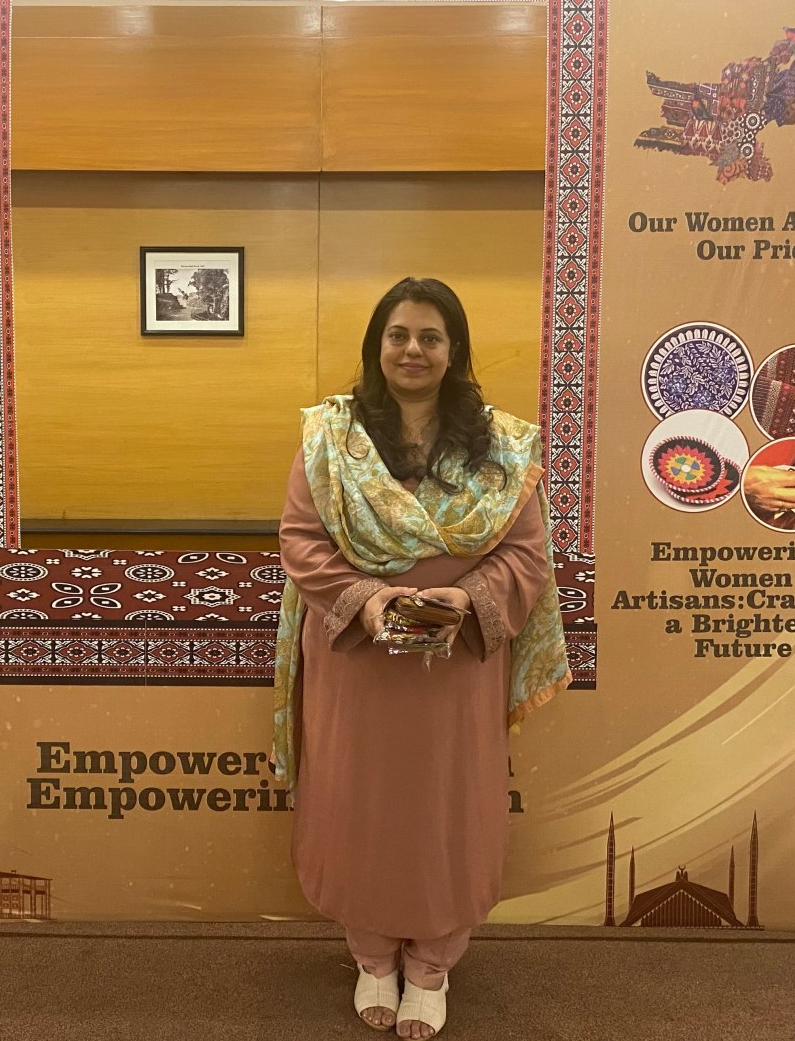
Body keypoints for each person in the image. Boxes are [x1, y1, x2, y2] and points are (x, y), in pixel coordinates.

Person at [272, 277, 570, 1037]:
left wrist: (467, 600)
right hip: (357, 659)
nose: (413, 349)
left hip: (456, 663)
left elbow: (528, 556)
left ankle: (432, 966)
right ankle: (373, 959)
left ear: (454, 350)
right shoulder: (332, 439)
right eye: (399, 335)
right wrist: (367, 600)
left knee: (447, 810)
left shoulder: (501, 446)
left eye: (430, 337)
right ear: (377, 346)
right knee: (358, 804)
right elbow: (300, 541)